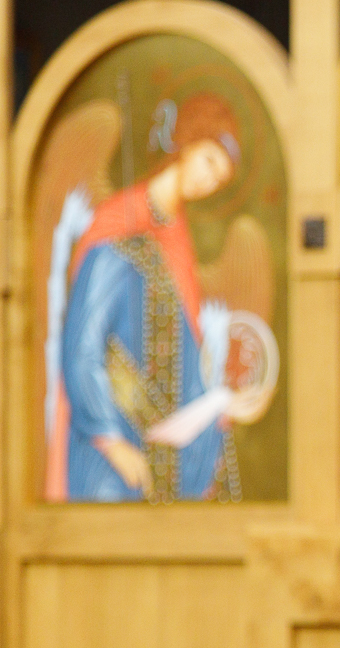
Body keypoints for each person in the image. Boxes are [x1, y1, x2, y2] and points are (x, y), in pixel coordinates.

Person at [49, 93, 253, 502]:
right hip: (109, 454)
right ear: (189, 143)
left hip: (159, 452)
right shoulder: (119, 223)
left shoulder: (177, 242)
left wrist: (221, 407)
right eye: (210, 162)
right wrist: (111, 441)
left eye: (220, 179)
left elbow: (185, 354)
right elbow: (82, 345)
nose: (208, 181)